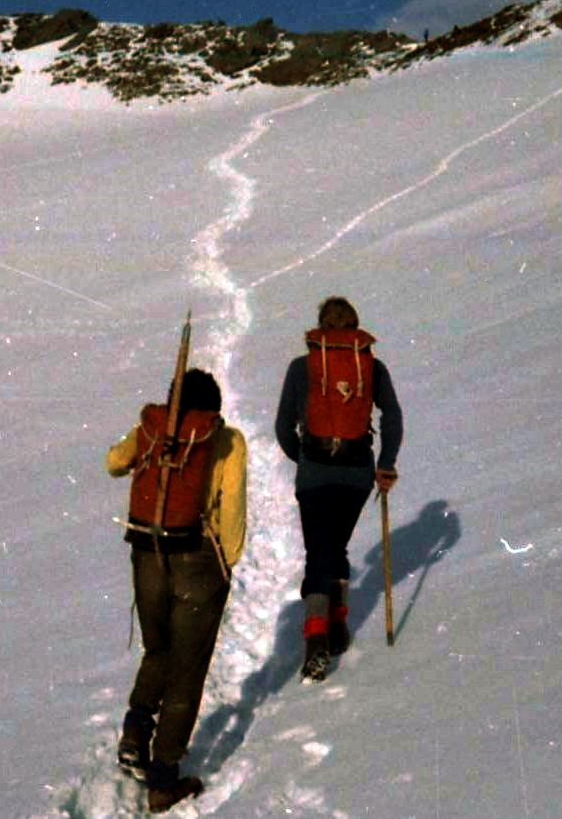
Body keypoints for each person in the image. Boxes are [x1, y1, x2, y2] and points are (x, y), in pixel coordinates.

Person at [105, 368, 247, 813]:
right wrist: (227, 562)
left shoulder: (153, 427)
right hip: (198, 558)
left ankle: (135, 731)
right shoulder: (226, 439)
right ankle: (163, 780)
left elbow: (113, 462)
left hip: (147, 551)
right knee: (187, 670)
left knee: (158, 650)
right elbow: (232, 503)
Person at [274, 297, 403, 681]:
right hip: (357, 474)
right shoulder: (372, 367)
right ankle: (338, 626)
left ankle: (316, 641)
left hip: (315, 472)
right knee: (336, 547)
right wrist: (385, 462)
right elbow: (392, 414)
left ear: (320, 327)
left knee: (319, 551)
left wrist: (304, 459)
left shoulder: (302, 368)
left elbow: (283, 426)